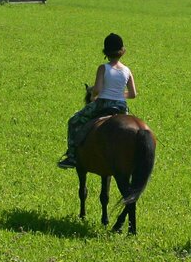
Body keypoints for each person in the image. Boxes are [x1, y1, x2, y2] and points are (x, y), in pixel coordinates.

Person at [57, 33, 138, 169]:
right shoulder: (127, 70)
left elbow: (97, 89)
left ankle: (71, 156)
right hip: (121, 107)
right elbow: (133, 94)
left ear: (105, 52)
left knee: (73, 121)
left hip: (102, 104)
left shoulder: (103, 68)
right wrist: (118, 94)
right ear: (122, 52)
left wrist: (93, 95)